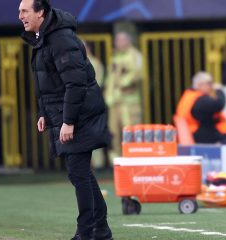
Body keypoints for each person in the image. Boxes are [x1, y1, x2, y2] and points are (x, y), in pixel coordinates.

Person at [19, 0, 113, 239]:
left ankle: (86, 231)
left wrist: (68, 121)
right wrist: (43, 113)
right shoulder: (46, 37)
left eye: (24, 11)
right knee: (79, 172)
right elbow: (48, 84)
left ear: (41, 12)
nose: (20, 16)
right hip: (67, 113)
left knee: (78, 171)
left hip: (80, 114)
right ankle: (100, 230)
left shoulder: (60, 39)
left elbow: (75, 83)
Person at [105, 32, 143, 162]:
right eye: (117, 40)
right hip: (114, 102)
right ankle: (116, 162)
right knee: (114, 132)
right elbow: (111, 78)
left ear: (128, 41)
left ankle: (134, 159)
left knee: (130, 131)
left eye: (121, 40)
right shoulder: (115, 57)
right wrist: (108, 95)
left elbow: (137, 75)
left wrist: (121, 86)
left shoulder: (135, 55)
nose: (118, 43)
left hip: (129, 103)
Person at [176, 72, 226, 143]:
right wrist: (219, 91)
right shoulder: (199, 100)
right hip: (198, 135)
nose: (212, 86)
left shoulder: (190, 96)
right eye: (209, 83)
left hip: (192, 134)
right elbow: (218, 104)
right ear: (199, 85)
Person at [82, 40, 106, 169]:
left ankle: (98, 165)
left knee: (93, 133)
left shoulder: (94, 63)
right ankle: (90, 164)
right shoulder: (79, 62)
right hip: (82, 104)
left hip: (91, 103)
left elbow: (97, 83)